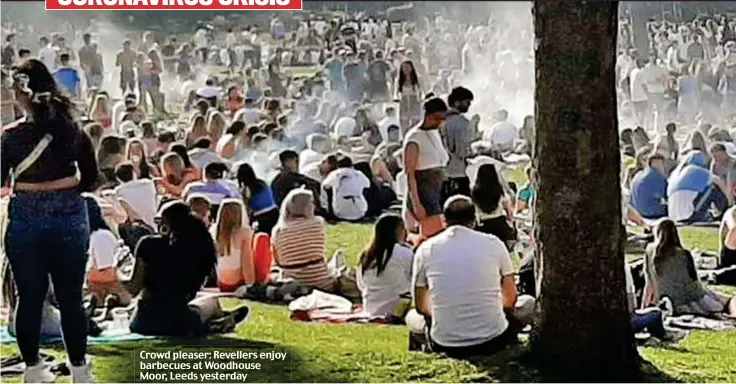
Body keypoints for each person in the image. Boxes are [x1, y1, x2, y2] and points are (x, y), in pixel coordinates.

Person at [1, 59, 97, 382]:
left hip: (26, 217)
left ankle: (33, 371)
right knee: (71, 297)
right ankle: (81, 370)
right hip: (69, 215)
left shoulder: (10, 137)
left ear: (21, 94)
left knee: (29, 298)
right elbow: (91, 176)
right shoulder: (71, 129)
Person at [407, 196, 534, 359]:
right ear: (475, 220)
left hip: (445, 341)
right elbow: (511, 298)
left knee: (411, 317)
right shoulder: (494, 243)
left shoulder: (425, 249)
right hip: (495, 337)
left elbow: (421, 306)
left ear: (443, 220)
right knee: (528, 302)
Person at [130, 201, 248, 336]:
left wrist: (119, 272)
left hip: (144, 321)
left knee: (207, 303)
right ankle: (218, 320)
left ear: (165, 224)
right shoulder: (198, 250)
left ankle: (217, 322)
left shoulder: (147, 245)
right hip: (181, 321)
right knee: (211, 302)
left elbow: (133, 288)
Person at [642, 220, 736, 317]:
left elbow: (649, 284)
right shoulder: (683, 254)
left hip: (668, 301)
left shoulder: (650, 251)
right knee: (728, 300)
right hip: (690, 300)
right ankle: (733, 316)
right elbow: (694, 282)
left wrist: (643, 308)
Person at [270, 188, 336, 291]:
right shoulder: (318, 222)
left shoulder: (278, 230)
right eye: (311, 203)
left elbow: (278, 260)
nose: (314, 206)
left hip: (292, 282)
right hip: (322, 282)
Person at [403, 97, 450, 241]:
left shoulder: (435, 133)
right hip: (424, 189)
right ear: (428, 115)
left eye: (443, 119)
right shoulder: (414, 138)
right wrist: (417, 204)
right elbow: (409, 174)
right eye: (437, 118)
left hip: (439, 186)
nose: (440, 123)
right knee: (432, 235)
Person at [356, 214, 413, 317]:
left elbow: (361, 285)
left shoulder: (366, 255)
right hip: (397, 306)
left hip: (370, 306)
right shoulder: (404, 252)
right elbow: (415, 278)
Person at [667, 150, 729, 223]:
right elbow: (719, 182)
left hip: (674, 217)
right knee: (713, 188)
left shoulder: (675, 175)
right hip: (691, 216)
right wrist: (730, 200)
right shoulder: (697, 170)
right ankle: (724, 213)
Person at [211, 199, 256, 292]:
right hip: (238, 282)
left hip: (221, 282)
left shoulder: (213, 231)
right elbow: (247, 262)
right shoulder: (243, 232)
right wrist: (251, 285)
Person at [470, 163, 516, 248]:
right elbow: (509, 211)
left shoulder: (474, 192)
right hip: (499, 224)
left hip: (482, 224)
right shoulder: (499, 190)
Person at [442, 86, 474, 200]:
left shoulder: (441, 120)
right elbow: (461, 151)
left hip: (442, 172)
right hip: (457, 172)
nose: (469, 105)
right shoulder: (462, 123)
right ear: (456, 103)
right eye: (467, 102)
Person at [321, 155, 371, 222]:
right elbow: (367, 185)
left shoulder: (335, 174)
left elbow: (325, 185)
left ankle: (330, 214)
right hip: (359, 212)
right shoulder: (358, 174)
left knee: (329, 189)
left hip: (339, 213)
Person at [237, 163, 279, 235]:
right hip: (274, 211)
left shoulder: (247, 188)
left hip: (261, 216)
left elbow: (248, 209)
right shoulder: (263, 183)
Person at [114, 162, 158, 229]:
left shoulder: (118, 192)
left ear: (118, 178)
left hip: (135, 229)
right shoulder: (148, 184)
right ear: (133, 173)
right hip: (154, 225)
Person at [630, 153, 668, 220]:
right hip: (650, 213)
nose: (664, 167)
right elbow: (667, 195)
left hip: (636, 212)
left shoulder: (638, 174)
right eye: (663, 164)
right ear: (657, 164)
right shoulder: (657, 177)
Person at [396, 60, 422, 134]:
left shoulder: (417, 80)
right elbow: (397, 95)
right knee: (404, 127)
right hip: (404, 105)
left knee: (415, 126)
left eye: (407, 67)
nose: (406, 70)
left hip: (414, 104)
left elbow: (420, 94)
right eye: (404, 68)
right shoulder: (399, 81)